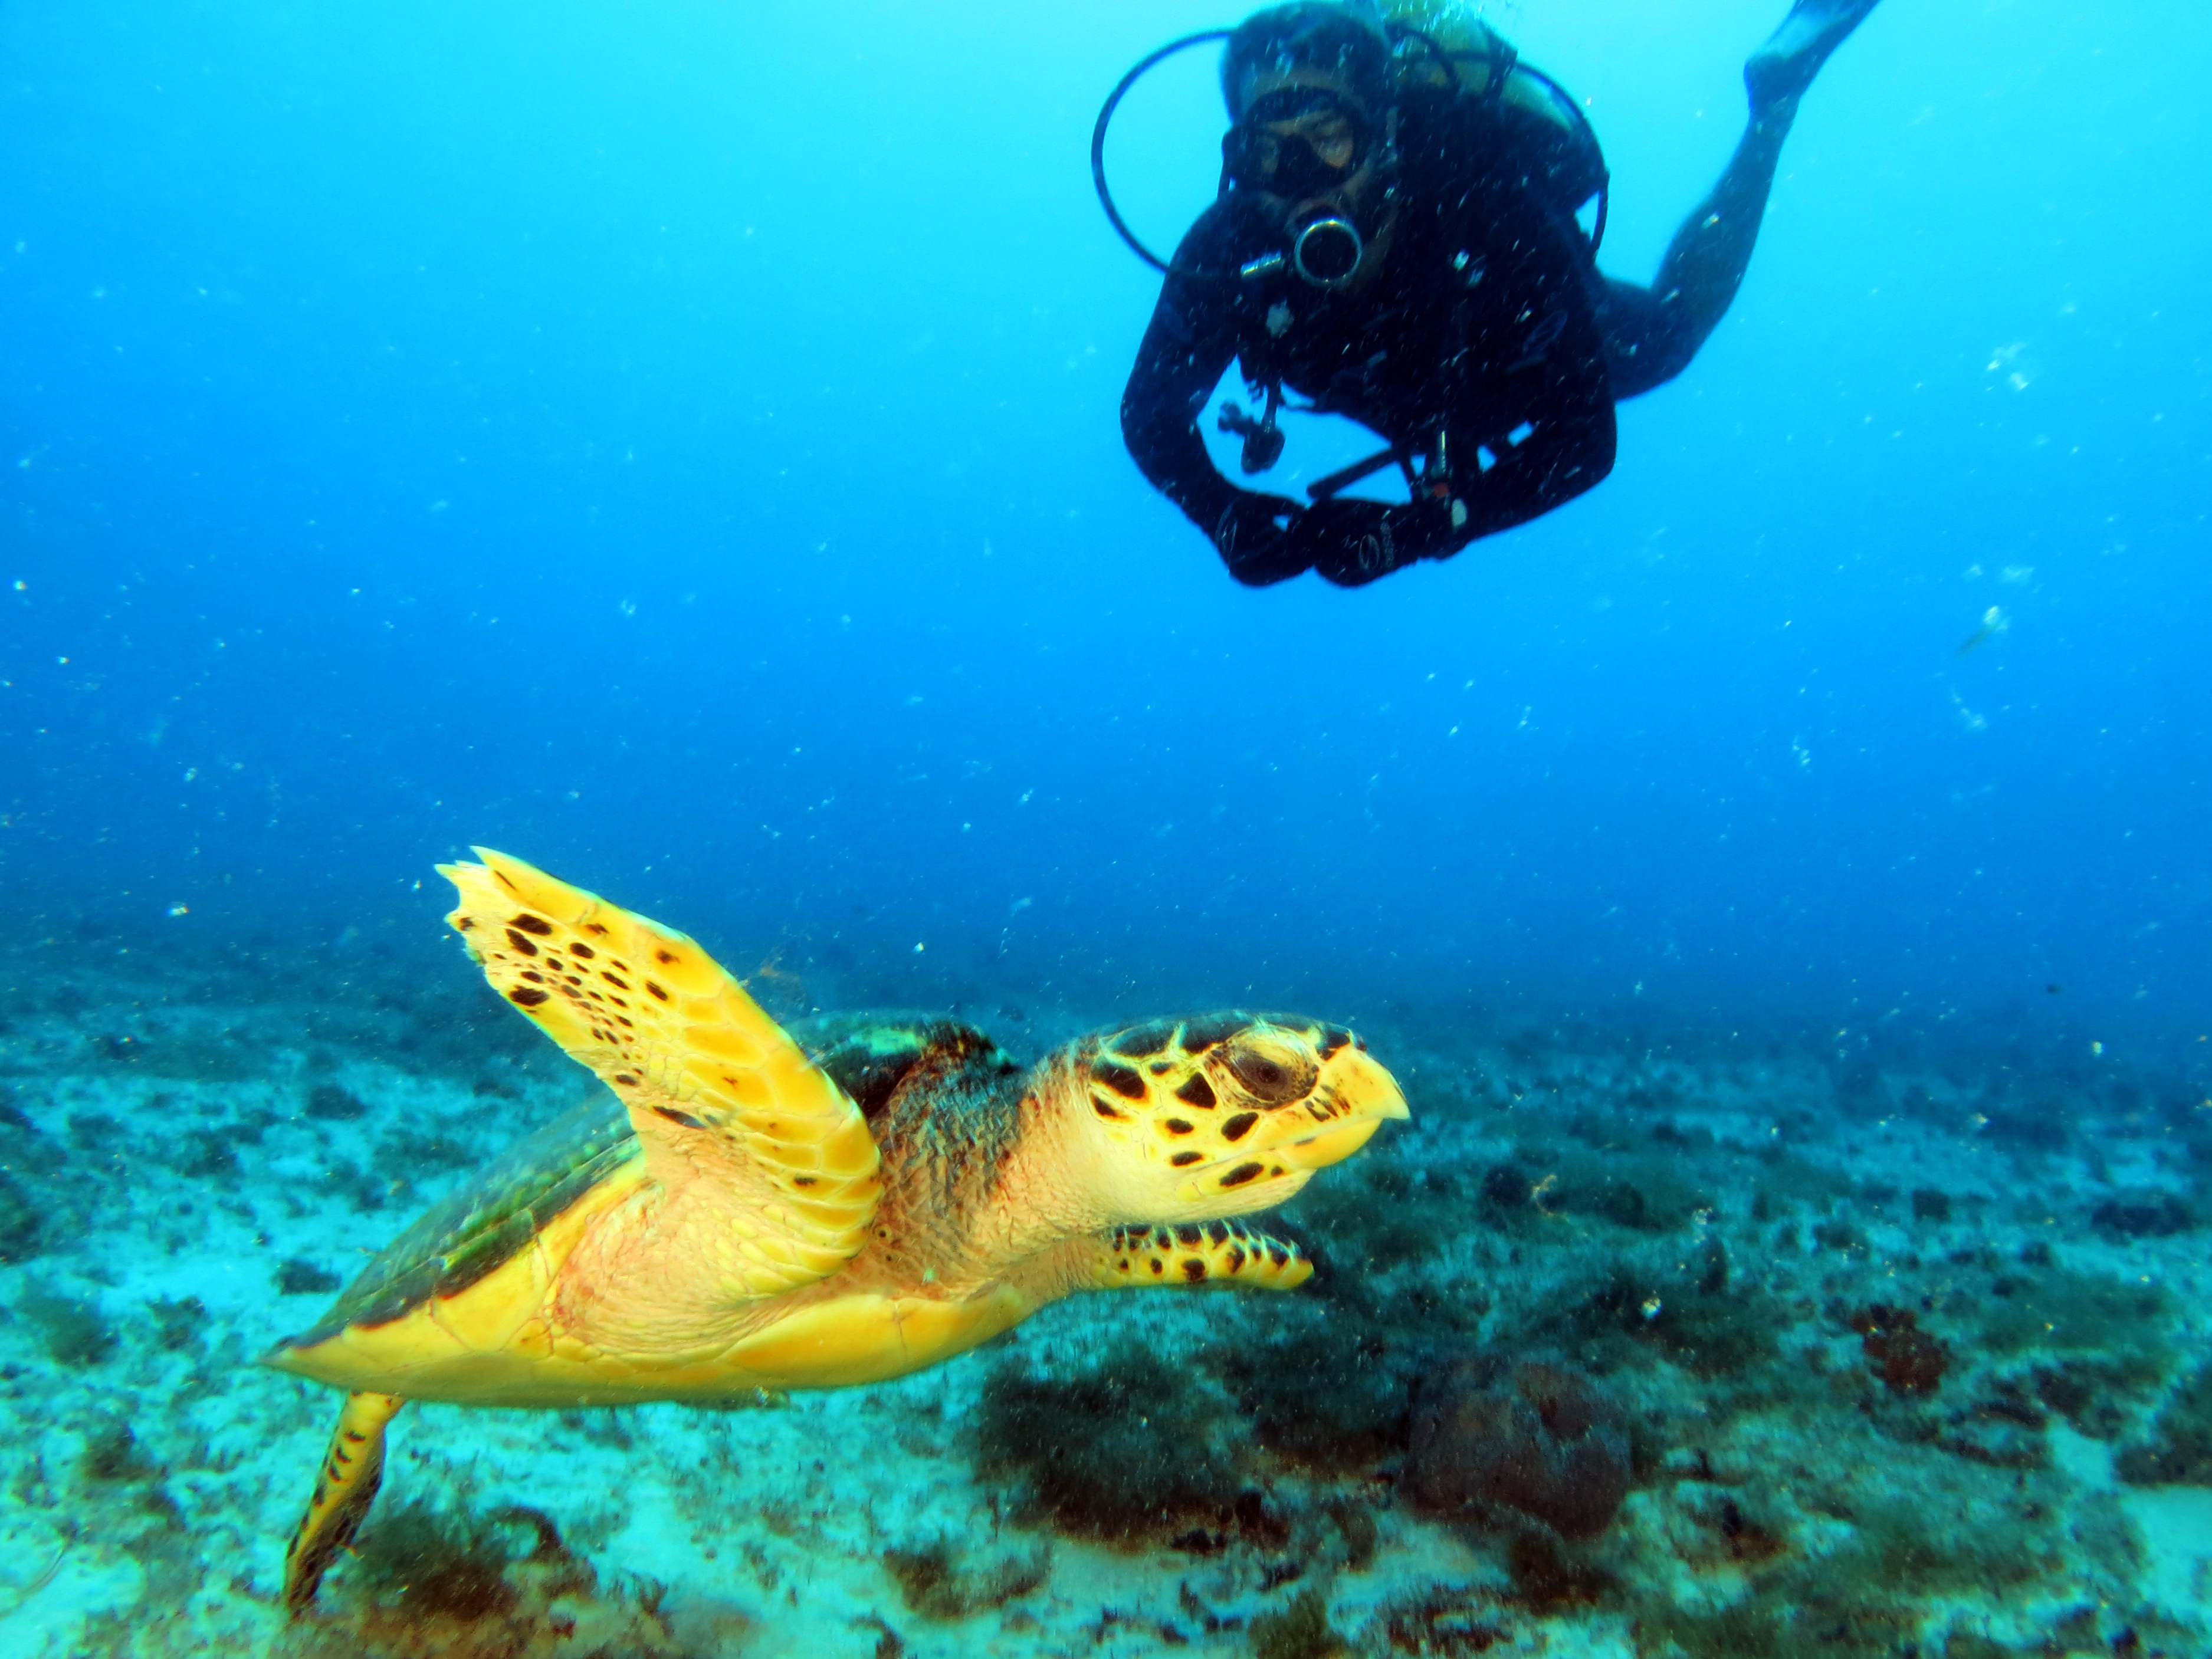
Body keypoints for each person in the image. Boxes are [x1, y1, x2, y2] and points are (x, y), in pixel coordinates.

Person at [1118, 0, 1885, 587]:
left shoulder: (1484, 207)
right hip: (1403, 396)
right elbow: (1149, 416)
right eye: (1267, 147)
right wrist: (1221, 515)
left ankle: (1772, 108)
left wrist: (1415, 534)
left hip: (1511, 351)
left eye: (1328, 136)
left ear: (1382, 133)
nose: (1298, 176)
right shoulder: (1226, 246)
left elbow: (1582, 444)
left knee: (1670, 341)